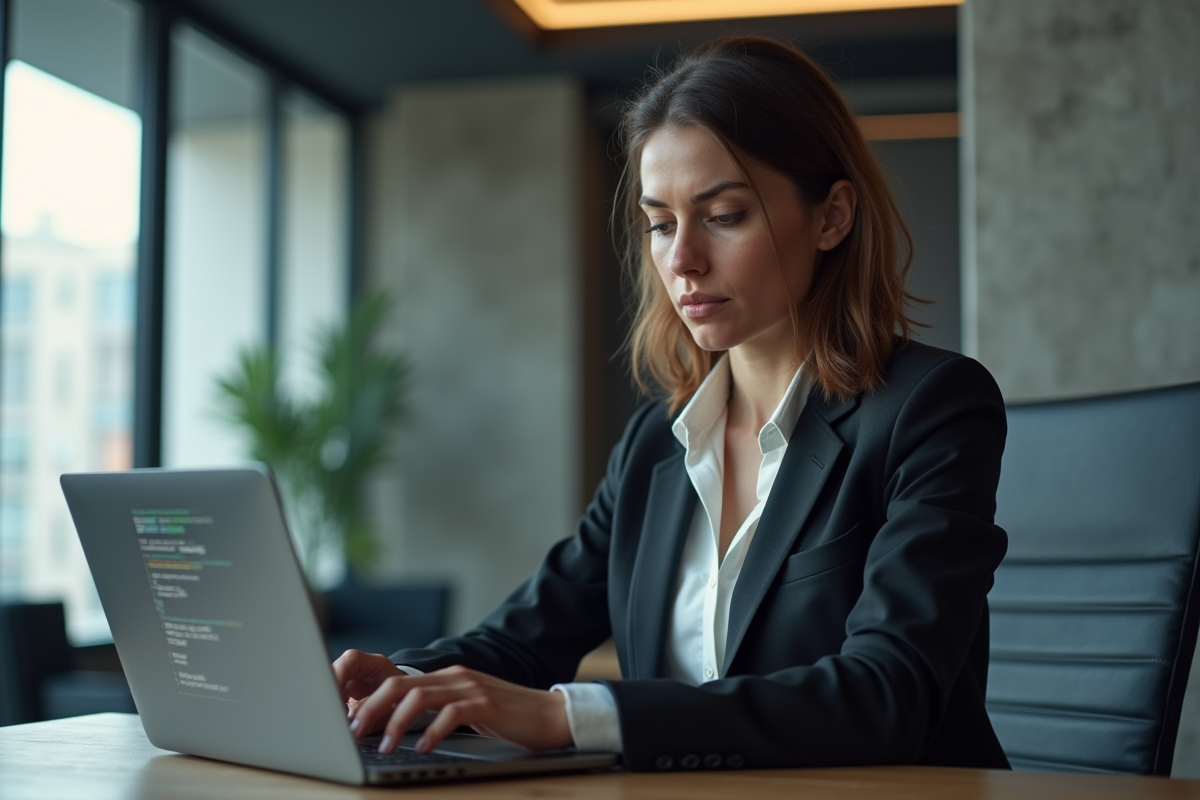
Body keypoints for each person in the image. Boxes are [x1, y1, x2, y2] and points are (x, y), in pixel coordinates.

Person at [333, 35, 1010, 772]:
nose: (681, 259)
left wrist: (570, 713)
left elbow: (887, 695)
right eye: (661, 224)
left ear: (832, 217)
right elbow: (524, 638)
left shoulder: (932, 408)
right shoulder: (656, 444)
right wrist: (403, 680)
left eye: (723, 215)